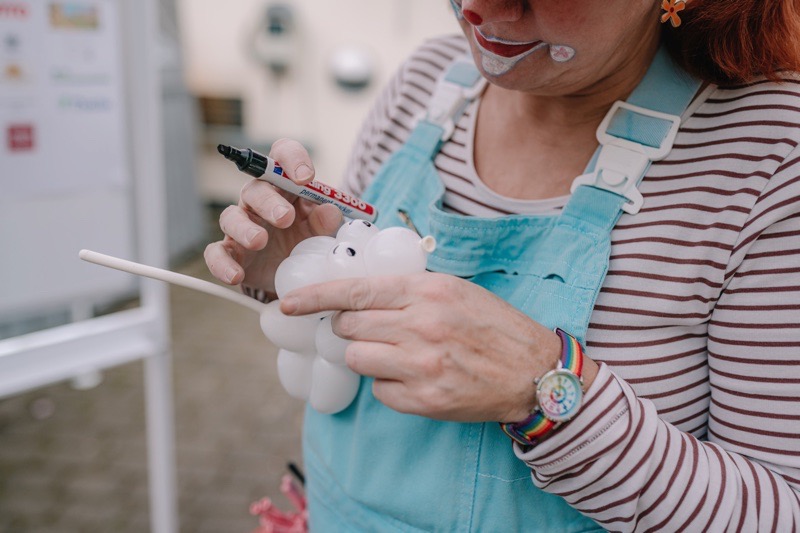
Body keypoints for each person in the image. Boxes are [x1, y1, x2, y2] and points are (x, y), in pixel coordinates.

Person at [205, 1, 800, 531]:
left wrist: (544, 389)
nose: (479, 11)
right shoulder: (425, 84)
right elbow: (334, 346)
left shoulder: (770, 157)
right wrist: (291, 273)